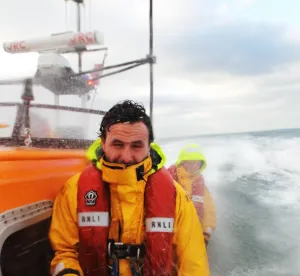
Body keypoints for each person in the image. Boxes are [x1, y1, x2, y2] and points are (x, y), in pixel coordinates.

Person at [48, 100, 210, 276]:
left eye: (136, 145)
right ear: (103, 143)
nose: (126, 156)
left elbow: (194, 264)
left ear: (149, 147)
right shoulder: (74, 191)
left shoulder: (176, 197)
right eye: (117, 144)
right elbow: (65, 253)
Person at [168, 144, 217, 246]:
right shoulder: (168, 177)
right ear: (182, 163)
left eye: (197, 162)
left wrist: (206, 234)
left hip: (190, 232)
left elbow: (209, 211)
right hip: (167, 230)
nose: (194, 166)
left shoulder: (199, 183)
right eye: (190, 162)